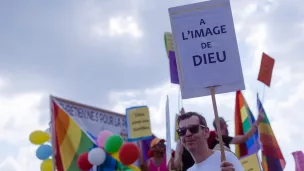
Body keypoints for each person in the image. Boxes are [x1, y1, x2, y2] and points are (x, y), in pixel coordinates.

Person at [175, 112, 244, 171]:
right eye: (182, 131)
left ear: (206, 132)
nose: (187, 134)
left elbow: (243, 138)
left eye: (193, 129)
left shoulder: (226, 158)